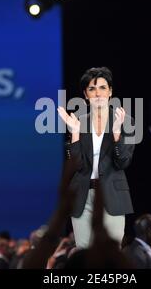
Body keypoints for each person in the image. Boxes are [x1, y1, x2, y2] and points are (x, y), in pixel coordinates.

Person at [57, 66, 135, 249]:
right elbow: (76, 166)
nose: (97, 93)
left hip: (112, 194)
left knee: (111, 255)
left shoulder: (126, 121)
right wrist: (75, 134)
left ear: (110, 92)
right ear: (85, 94)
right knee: (84, 254)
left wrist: (116, 133)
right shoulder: (77, 121)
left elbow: (123, 161)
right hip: (82, 195)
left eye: (102, 87)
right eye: (92, 89)